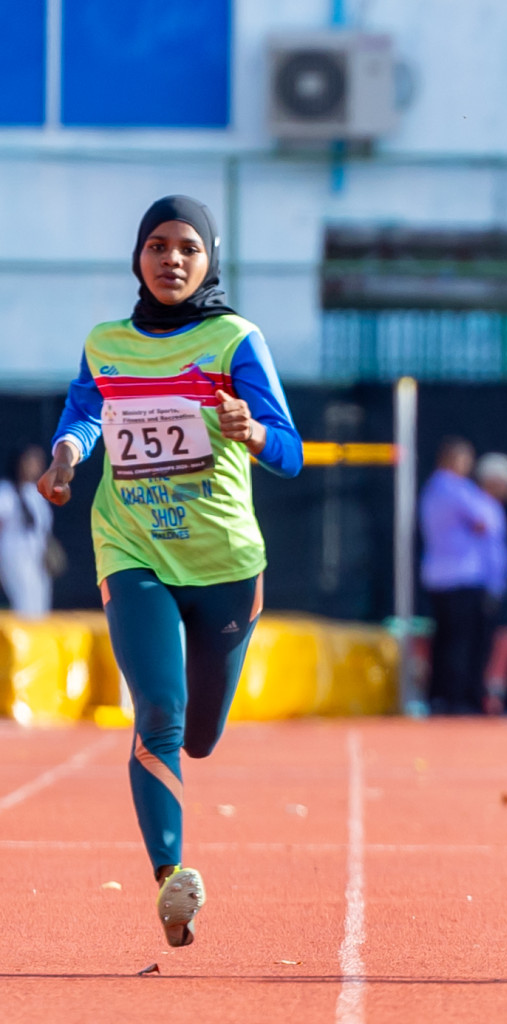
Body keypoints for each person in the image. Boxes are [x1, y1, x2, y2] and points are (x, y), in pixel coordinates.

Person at [39, 195, 302, 947]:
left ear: (209, 258)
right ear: (137, 258)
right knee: (159, 707)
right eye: (157, 245)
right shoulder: (105, 342)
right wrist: (68, 455)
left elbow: (291, 449)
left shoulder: (234, 339)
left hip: (224, 561)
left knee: (203, 736)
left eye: (188, 246)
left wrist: (251, 430)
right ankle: (170, 880)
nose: (172, 259)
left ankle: (187, 769)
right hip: (132, 546)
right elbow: (84, 416)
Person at [419, 437, 499, 715]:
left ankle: (439, 697)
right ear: (453, 459)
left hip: (437, 575)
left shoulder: (431, 488)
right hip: (461, 576)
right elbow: (484, 521)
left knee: (443, 641)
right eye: (466, 459)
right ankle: (458, 699)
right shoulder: (456, 489)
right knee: (461, 643)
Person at [473, 451, 507, 711]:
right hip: (475, 585)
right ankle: (467, 699)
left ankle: (476, 696)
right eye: (506, 481)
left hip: (488, 587)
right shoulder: (476, 504)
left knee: (482, 644)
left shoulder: (491, 506)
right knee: (471, 645)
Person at [0, 445, 56, 617]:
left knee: (40, 607)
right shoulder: (5, 492)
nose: (35, 466)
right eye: (30, 461)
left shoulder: (37, 493)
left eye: (38, 461)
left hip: (38, 561)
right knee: (23, 607)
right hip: (14, 558)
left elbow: (43, 531)